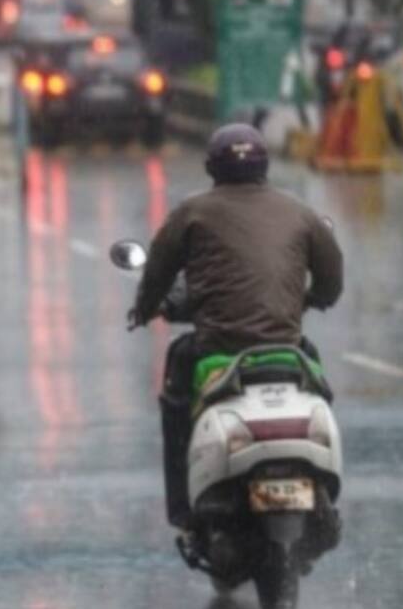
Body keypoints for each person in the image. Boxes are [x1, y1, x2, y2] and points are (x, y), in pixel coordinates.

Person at [129, 124, 343, 528]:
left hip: (217, 349)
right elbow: (331, 279)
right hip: (286, 349)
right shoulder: (299, 212)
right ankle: (324, 475)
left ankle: (181, 507)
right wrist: (313, 299)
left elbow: (157, 273)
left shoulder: (191, 213)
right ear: (264, 165)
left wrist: (143, 310)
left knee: (177, 391)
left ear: (212, 167)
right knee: (318, 382)